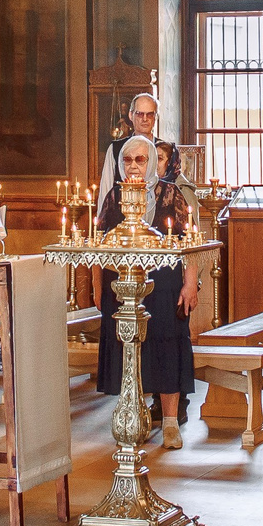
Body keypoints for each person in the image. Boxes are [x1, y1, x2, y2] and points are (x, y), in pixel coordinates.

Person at [95, 135, 196, 448]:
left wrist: (190, 283)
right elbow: (99, 242)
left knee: (167, 348)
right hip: (122, 284)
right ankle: (132, 416)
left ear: (151, 161)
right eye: (127, 160)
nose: (134, 166)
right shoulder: (114, 195)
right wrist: (98, 287)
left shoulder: (171, 193)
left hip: (164, 284)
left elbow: (190, 242)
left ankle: (169, 423)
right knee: (129, 350)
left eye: (140, 159)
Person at [97, 91, 172, 201]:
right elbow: (106, 190)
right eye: (140, 114)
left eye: (150, 114)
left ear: (156, 117)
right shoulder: (116, 149)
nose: (145, 119)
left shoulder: (167, 150)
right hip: (122, 212)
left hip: (158, 212)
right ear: (131, 115)